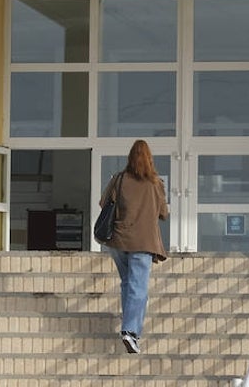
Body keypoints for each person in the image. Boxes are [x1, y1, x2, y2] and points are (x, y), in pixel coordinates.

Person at [98, 139, 169, 354]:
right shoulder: (155, 183)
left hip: (119, 240)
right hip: (143, 241)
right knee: (138, 288)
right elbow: (164, 213)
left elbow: (103, 203)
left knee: (128, 283)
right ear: (149, 159)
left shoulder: (119, 179)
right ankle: (129, 331)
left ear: (130, 157)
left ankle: (132, 331)